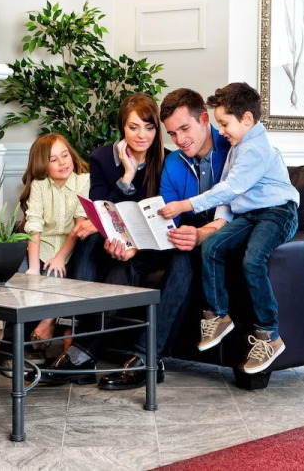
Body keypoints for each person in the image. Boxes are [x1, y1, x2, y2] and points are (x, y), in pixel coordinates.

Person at [42, 92, 194, 389]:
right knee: (88, 238)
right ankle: (82, 352)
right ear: (122, 127)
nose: (142, 135)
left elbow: (165, 215)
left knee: (126, 267)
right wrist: (127, 176)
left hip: (150, 244)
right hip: (114, 241)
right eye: (133, 127)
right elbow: (101, 208)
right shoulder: (102, 158)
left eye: (149, 128)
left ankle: (83, 354)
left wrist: (133, 246)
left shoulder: (168, 161)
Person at [94, 88, 234, 390]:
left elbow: (242, 210)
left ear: (204, 119)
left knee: (184, 258)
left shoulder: (232, 148)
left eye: (185, 129)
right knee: (128, 261)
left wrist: (201, 234)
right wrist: (135, 246)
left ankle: (145, 358)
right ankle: (85, 348)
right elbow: (168, 221)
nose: (180, 140)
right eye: (172, 133)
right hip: (184, 233)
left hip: (223, 235)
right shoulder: (174, 163)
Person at [159, 82, 300, 374]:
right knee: (212, 246)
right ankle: (218, 316)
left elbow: (230, 187)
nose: (221, 131)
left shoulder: (256, 149)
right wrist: (217, 224)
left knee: (253, 260)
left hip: (278, 212)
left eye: (224, 124)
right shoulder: (238, 146)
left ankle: (269, 335)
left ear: (246, 119)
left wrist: (186, 205)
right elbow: (229, 195)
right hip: (250, 214)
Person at [0, 132, 90, 376]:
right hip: (41, 246)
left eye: (65, 155)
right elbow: (34, 227)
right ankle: (9, 351)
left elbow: (79, 225)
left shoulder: (83, 181)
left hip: (71, 248)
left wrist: (60, 257)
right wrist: (33, 268)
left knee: (55, 274)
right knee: (23, 284)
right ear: (42, 165)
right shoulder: (39, 185)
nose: (62, 162)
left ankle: (44, 328)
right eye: (53, 159)